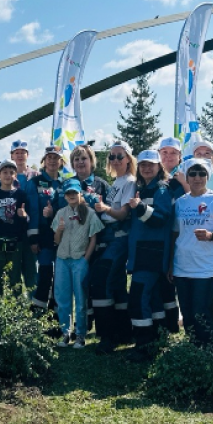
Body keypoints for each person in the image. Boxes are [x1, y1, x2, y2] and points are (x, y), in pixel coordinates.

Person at [169, 158, 213, 347]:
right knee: (187, 313)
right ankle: (193, 347)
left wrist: (211, 235)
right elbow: (175, 234)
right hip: (182, 266)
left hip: (206, 267)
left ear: (208, 176)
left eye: (202, 173)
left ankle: (209, 349)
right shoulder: (180, 203)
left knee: (200, 311)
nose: (197, 178)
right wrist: (170, 264)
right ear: (187, 177)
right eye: (193, 173)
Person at [125, 150, 174, 362]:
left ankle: (144, 345)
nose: (146, 168)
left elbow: (161, 219)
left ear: (159, 167)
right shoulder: (142, 188)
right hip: (142, 251)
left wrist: (141, 207)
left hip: (151, 253)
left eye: (151, 165)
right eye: (143, 165)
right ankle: (156, 340)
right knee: (153, 298)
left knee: (138, 296)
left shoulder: (161, 190)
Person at [88, 140, 137, 355]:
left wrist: (105, 208)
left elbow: (123, 213)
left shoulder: (129, 182)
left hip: (119, 237)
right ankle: (124, 332)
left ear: (128, 159)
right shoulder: (115, 182)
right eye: (112, 156)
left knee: (101, 281)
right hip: (108, 236)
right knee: (116, 284)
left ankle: (107, 336)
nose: (115, 160)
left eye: (120, 156)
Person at [51, 178, 104, 349]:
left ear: (80, 193)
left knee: (81, 298)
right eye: (68, 193)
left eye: (74, 192)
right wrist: (59, 230)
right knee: (62, 297)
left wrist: (85, 259)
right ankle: (65, 332)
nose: (71, 195)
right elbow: (56, 240)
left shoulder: (89, 213)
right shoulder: (60, 213)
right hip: (62, 259)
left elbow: (93, 238)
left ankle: (80, 334)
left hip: (79, 260)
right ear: (65, 196)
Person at [69, 144, 110, 334]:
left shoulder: (101, 184)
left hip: (99, 241)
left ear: (92, 161)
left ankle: (100, 322)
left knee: (96, 281)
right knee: (80, 283)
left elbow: (111, 210)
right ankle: (83, 322)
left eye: (84, 158)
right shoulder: (68, 185)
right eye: (76, 159)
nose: (80, 162)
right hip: (76, 243)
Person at [0, 159, 30, 295]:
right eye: (5, 172)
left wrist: (24, 216)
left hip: (15, 244)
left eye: (11, 172)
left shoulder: (21, 195)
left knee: (15, 280)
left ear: (16, 175)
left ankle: (15, 313)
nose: (8, 175)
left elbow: (28, 220)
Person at [26, 145, 66, 312]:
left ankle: (56, 315)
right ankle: (38, 315)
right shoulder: (34, 183)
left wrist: (53, 213)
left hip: (63, 236)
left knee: (60, 277)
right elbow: (33, 212)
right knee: (44, 275)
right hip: (43, 237)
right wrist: (33, 238)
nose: (52, 160)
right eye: (49, 157)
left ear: (61, 161)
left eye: (56, 157)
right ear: (44, 160)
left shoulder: (66, 183)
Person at [156, 136, 187, 333]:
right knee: (163, 278)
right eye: (164, 152)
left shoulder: (184, 177)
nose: (168, 156)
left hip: (182, 236)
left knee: (178, 278)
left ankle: (179, 320)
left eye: (173, 153)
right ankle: (169, 323)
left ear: (180, 156)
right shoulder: (156, 178)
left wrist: (184, 184)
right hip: (160, 236)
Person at [9, 139, 39, 301]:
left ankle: (34, 308)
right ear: (12, 155)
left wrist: (34, 236)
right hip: (11, 233)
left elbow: (35, 209)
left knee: (31, 272)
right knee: (13, 273)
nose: (20, 155)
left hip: (30, 233)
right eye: (16, 152)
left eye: (23, 152)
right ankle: (16, 310)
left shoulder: (35, 176)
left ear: (28, 155)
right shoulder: (5, 176)